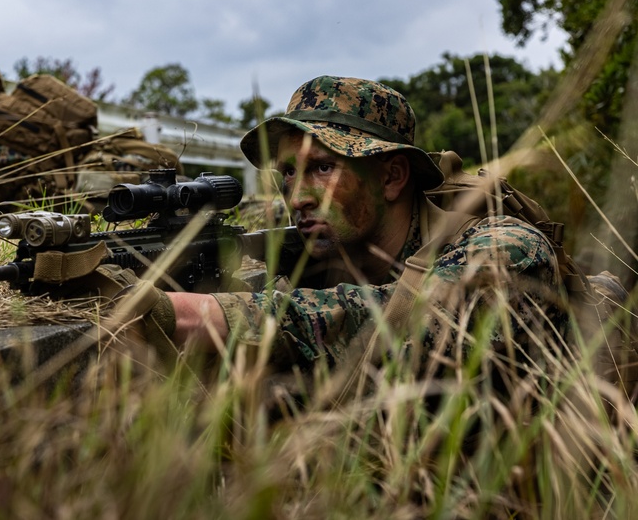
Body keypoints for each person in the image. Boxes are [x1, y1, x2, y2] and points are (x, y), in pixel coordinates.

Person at [131, 76, 567, 380]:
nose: (297, 196)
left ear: (393, 177)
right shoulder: (320, 255)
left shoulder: (509, 247)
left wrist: (191, 312)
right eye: (286, 173)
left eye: (323, 168)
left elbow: (401, 323)